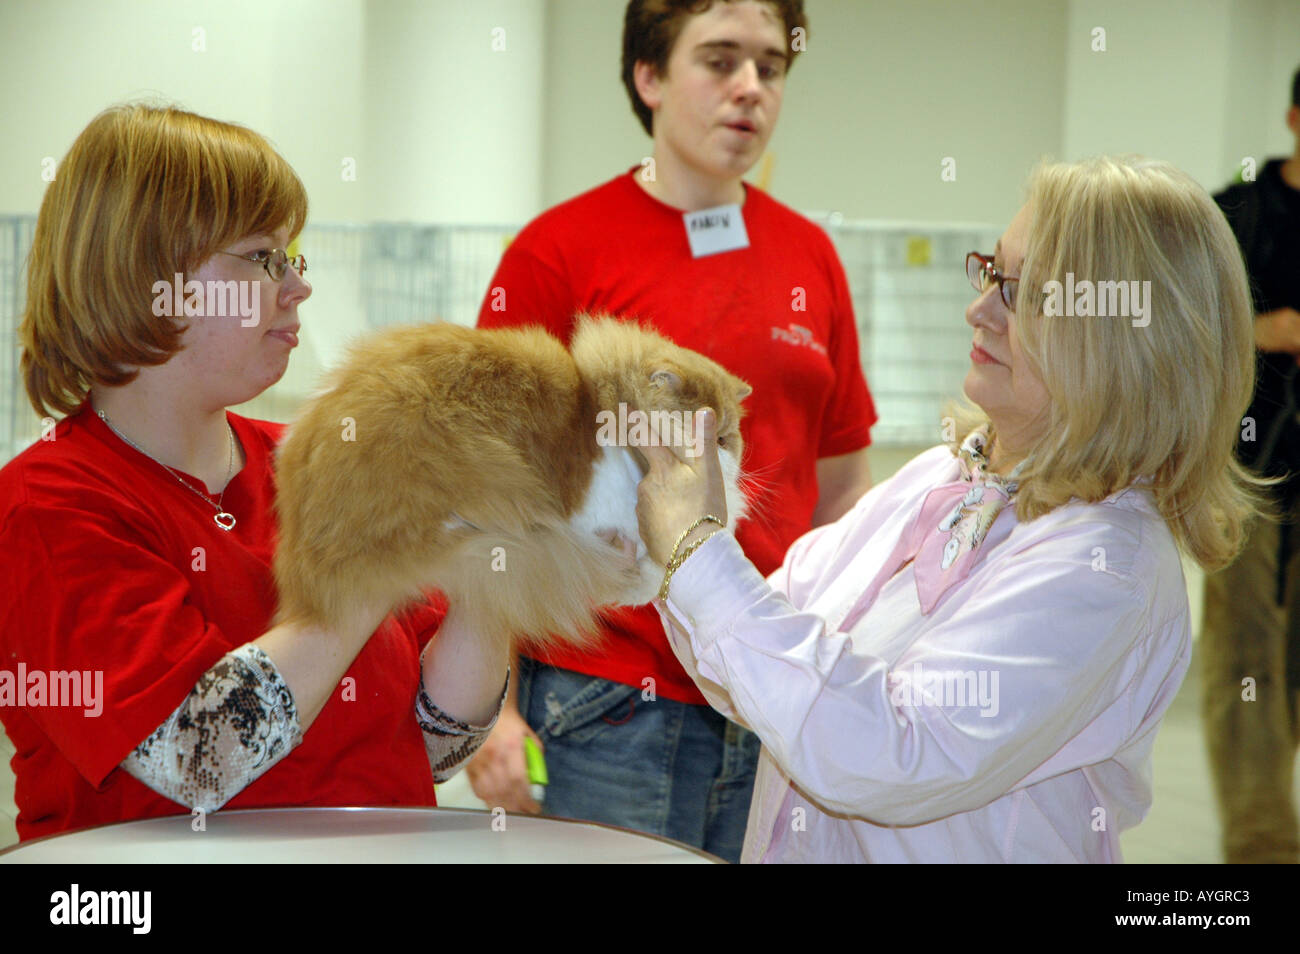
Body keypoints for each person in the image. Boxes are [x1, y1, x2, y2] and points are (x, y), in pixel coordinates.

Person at [631, 155, 1260, 863]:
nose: (978, 309)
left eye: (1021, 295)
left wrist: (698, 549)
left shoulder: (1107, 564)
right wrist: (645, 519)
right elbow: (752, 660)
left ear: (1126, 340)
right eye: (991, 272)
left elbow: (895, 752)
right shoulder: (942, 477)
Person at [0, 104, 508, 842]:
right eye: (261, 257)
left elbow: (436, 741)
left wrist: (500, 548)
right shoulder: (47, 506)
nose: (296, 286)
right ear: (149, 272)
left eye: (290, 255)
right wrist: (373, 565)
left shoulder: (317, 461)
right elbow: (199, 754)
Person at [469, 0, 877, 862]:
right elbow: (491, 499)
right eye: (720, 61)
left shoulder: (810, 256)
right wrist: (496, 710)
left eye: (771, 67)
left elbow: (840, 487)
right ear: (648, 77)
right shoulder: (557, 252)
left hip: (777, 698)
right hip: (606, 699)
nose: (750, 89)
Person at [1200, 66, 1300, 864]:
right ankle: (1263, 846)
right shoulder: (1235, 215)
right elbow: (1180, 332)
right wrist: (1261, 331)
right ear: (1295, 119)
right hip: (1253, 477)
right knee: (1244, 668)